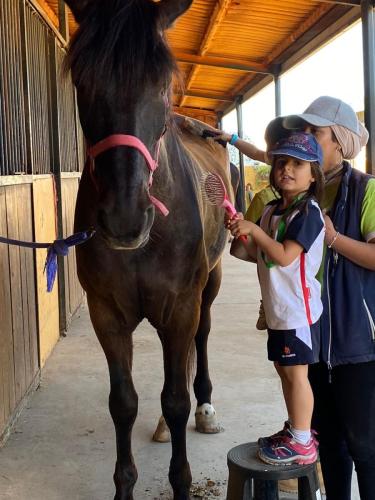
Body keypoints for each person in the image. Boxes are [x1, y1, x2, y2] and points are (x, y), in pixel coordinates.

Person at [217, 96, 375, 499]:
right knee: (328, 442)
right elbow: (253, 252)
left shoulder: (365, 190)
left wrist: (333, 237)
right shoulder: (279, 199)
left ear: (339, 141)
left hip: (356, 341)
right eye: (300, 133)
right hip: (309, 331)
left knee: (365, 444)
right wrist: (241, 231)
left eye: (315, 132)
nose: (303, 141)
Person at [229, 131, 325, 465]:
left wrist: (254, 231)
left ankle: (302, 440)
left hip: (297, 311)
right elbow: (254, 253)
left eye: (298, 163)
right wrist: (242, 236)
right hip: (277, 310)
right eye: (282, 161)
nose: (287, 168)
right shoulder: (271, 209)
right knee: (284, 369)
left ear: (313, 175)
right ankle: (295, 428)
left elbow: (284, 256)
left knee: (297, 374)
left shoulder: (309, 213)